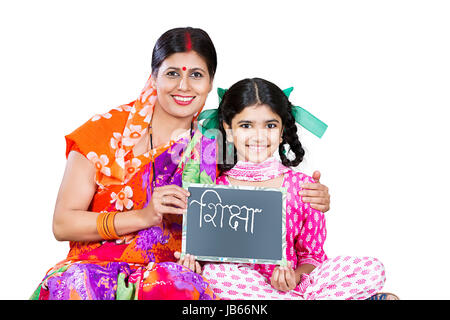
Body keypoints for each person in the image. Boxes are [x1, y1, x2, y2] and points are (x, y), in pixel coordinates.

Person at [30, 27, 331, 300]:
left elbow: (257, 189)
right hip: (92, 271)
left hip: (175, 279)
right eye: (172, 73)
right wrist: (144, 216)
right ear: (154, 76)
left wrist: (310, 195)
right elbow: (62, 224)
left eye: (196, 75)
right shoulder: (104, 133)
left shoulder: (215, 142)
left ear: (211, 82)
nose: (184, 86)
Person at [193, 77, 398, 300]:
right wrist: (192, 260)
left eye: (270, 125)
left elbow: (312, 256)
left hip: (296, 288)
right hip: (243, 291)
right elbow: (205, 256)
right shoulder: (213, 190)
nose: (259, 135)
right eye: (246, 125)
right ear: (229, 130)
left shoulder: (303, 187)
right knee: (215, 274)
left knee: (371, 269)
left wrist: (295, 276)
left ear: (282, 131)